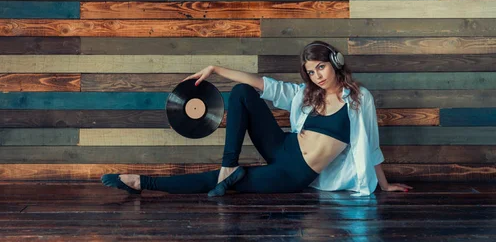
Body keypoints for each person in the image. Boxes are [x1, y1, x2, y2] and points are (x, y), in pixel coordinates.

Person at [102, 41, 413, 197]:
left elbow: (370, 145)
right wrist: (216, 69)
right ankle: (229, 165)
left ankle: (141, 182)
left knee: (230, 185)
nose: (317, 76)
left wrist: (383, 186)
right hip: (283, 146)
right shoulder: (307, 94)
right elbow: (264, 85)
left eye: (321, 67)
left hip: (295, 173)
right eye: (310, 71)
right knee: (241, 92)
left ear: (335, 63)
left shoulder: (360, 99)